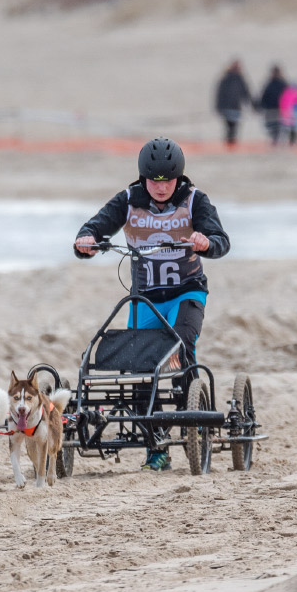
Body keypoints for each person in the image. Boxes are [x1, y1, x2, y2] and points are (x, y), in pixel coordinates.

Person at [72, 138, 231, 470]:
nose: (161, 187)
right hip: (144, 297)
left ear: (178, 177)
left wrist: (206, 242)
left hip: (186, 292)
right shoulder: (129, 200)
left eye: (168, 180)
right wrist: (86, 241)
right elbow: (95, 227)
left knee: (182, 344)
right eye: (154, 180)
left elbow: (221, 241)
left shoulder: (194, 200)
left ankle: (192, 414)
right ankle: (156, 448)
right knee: (143, 367)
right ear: (143, 177)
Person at [214, 61, 253, 145]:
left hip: (236, 108)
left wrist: (253, 104)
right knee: (229, 127)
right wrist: (218, 107)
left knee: (234, 128)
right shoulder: (225, 79)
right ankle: (229, 143)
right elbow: (220, 94)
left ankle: (232, 143)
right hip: (226, 108)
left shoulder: (240, 79)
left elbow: (246, 93)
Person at [257, 65, 286, 144]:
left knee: (276, 130)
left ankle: (275, 142)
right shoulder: (271, 84)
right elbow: (263, 97)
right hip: (272, 111)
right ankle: (274, 142)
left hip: (278, 111)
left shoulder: (279, 84)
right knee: (273, 130)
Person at [279, 79, 297, 145]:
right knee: (292, 129)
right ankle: (292, 141)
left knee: (292, 129)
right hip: (291, 114)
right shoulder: (296, 94)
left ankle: (292, 141)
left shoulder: (288, 93)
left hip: (292, 114)